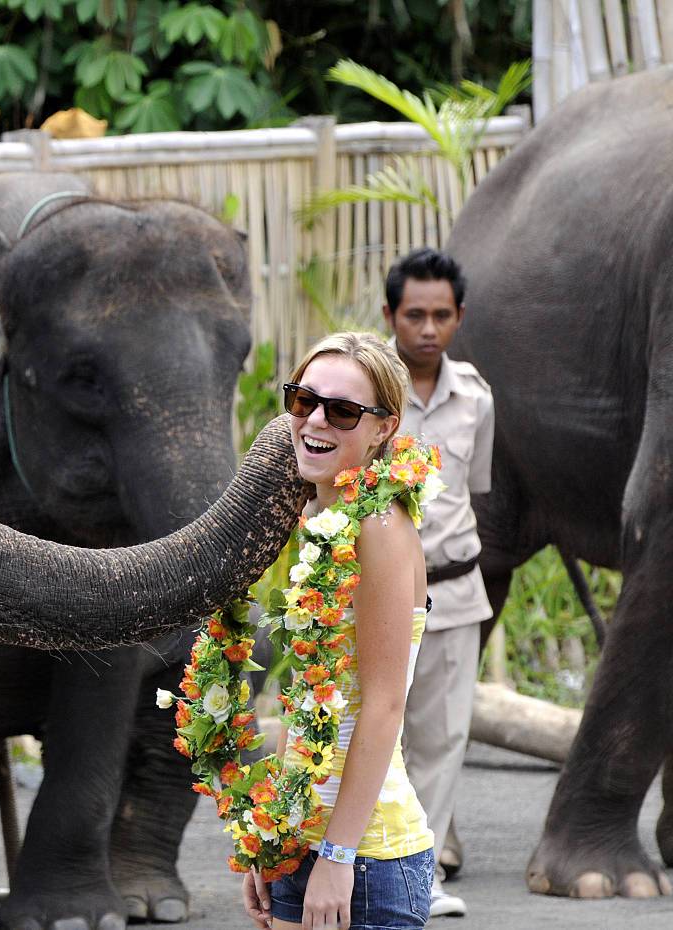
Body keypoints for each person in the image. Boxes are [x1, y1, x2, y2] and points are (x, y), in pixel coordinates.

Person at [241, 332, 435, 930]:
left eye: (344, 410)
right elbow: (306, 699)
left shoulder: (377, 524)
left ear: (384, 427)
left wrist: (337, 856)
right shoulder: (319, 517)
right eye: (304, 400)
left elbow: (381, 707)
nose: (317, 419)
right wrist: (271, 837)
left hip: (367, 857)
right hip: (305, 842)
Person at [382, 247, 494, 919]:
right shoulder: (365, 396)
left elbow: (470, 491)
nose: (428, 329)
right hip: (376, 594)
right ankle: (366, 865)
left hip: (454, 590)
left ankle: (417, 877)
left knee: (443, 740)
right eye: (414, 315)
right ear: (390, 315)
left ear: (459, 318)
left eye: (441, 316)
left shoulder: (475, 397)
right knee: (371, 729)